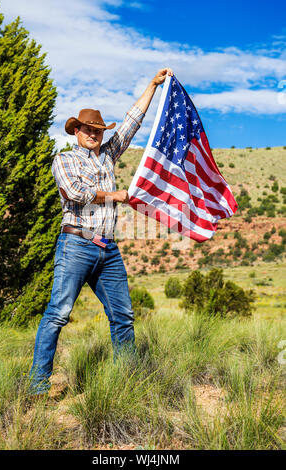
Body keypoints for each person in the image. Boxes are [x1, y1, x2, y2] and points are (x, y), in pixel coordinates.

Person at [29, 67, 174, 395]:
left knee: (123, 315)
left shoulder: (108, 154)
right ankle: (37, 387)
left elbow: (131, 123)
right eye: (87, 129)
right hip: (76, 244)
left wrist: (152, 84)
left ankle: (127, 383)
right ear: (76, 131)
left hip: (107, 249)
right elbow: (75, 194)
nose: (94, 134)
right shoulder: (64, 160)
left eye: (97, 130)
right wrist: (115, 196)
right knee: (58, 314)